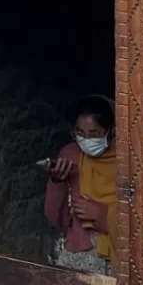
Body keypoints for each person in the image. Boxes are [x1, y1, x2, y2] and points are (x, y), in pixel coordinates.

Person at [43, 94, 118, 274]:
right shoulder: (70, 156)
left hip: (119, 258)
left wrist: (103, 215)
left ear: (112, 131)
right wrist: (57, 182)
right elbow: (57, 219)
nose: (86, 140)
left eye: (95, 134)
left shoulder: (130, 162)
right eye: (80, 133)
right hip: (79, 257)